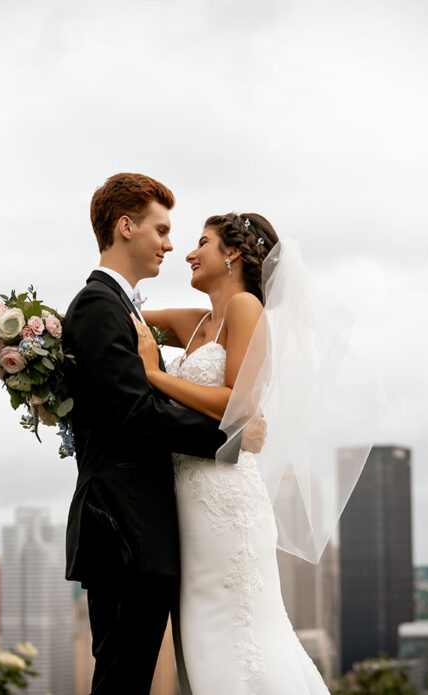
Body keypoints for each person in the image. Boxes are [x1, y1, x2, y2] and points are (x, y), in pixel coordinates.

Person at [62, 174, 266, 695]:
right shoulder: (102, 304)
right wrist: (230, 441)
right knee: (124, 677)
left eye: (191, 239)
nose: (173, 246)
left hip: (168, 520)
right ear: (126, 227)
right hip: (127, 525)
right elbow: (136, 410)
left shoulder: (121, 306)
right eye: (162, 230)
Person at [134, 212, 331, 694]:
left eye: (201, 242)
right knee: (204, 639)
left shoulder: (246, 307)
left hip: (226, 503)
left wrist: (157, 376)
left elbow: (237, 404)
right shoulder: (198, 319)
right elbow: (125, 317)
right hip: (189, 505)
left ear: (233, 254)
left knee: (240, 635)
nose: (187, 252)